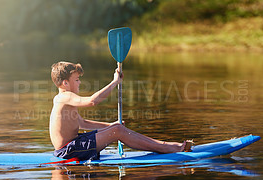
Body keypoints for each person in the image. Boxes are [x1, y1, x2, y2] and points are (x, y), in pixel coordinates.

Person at [49, 61, 192, 161]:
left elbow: (82, 123)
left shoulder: (64, 99)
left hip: (73, 145)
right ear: (65, 83)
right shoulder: (65, 96)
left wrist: (112, 125)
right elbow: (93, 101)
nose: (79, 82)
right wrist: (114, 82)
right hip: (68, 151)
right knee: (117, 131)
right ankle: (166, 148)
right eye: (77, 79)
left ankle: (164, 146)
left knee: (117, 129)